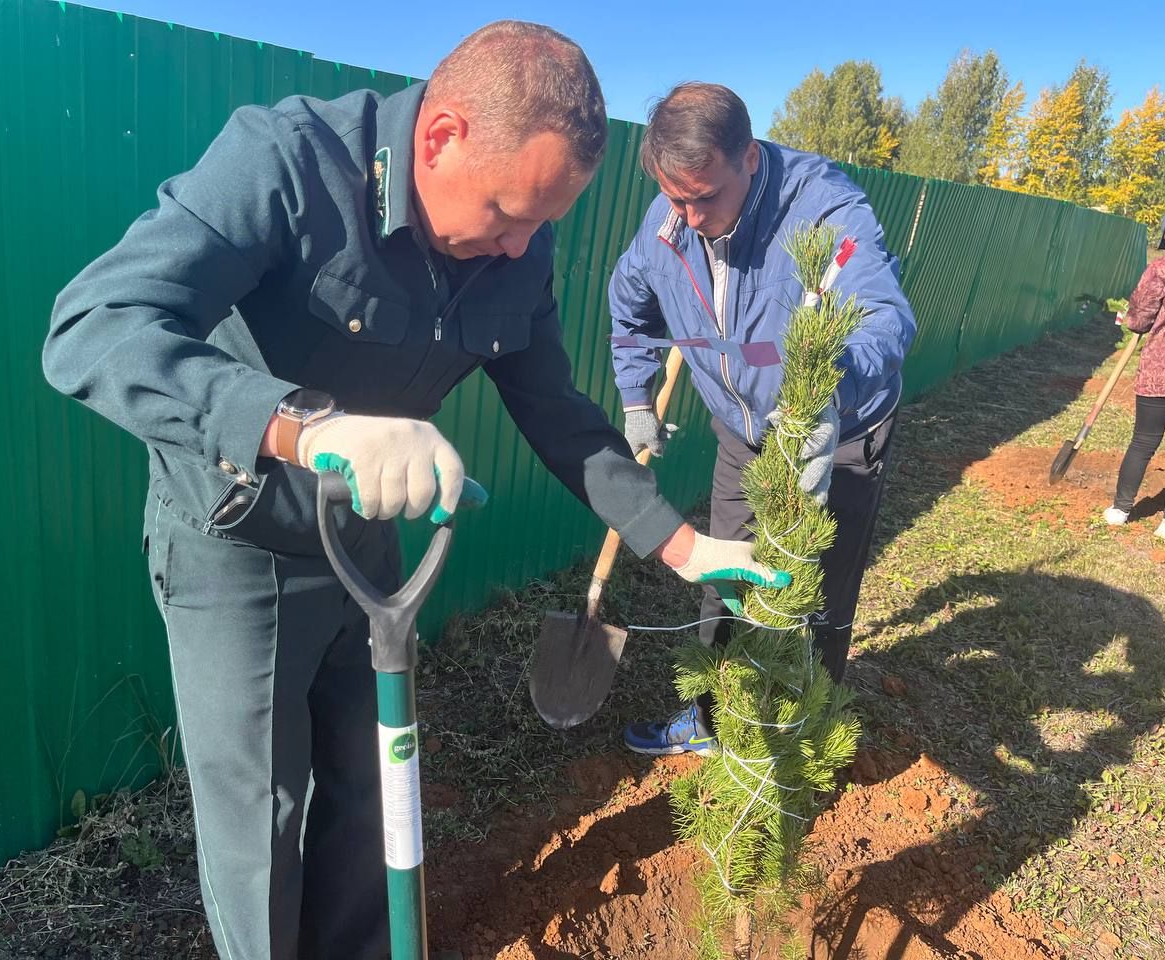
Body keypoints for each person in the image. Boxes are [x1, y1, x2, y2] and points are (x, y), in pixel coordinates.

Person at [41, 25, 782, 960]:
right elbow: (92, 328)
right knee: (262, 819)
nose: (523, 248)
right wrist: (305, 428)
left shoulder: (520, 249)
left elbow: (556, 409)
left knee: (369, 793)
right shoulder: (286, 165)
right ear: (441, 139)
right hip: (239, 539)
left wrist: (683, 545)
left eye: (542, 224)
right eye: (509, 213)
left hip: (369, 547)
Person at [607, 82, 916, 756]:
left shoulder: (822, 209)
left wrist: (823, 394)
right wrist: (636, 400)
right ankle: (712, 720)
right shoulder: (668, 224)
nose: (688, 216)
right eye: (674, 197)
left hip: (840, 436)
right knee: (724, 572)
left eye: (703, 197)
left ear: (749, 156)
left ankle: (807, 734)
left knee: (820, 589)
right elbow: (629, 306)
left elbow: (883, 316)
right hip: (743, 434)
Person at [1105, 203, 1165, 544]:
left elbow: (1138, 317)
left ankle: (1120, 509)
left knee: (1143, 440)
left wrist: (1139, 322)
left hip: (1162, 365)